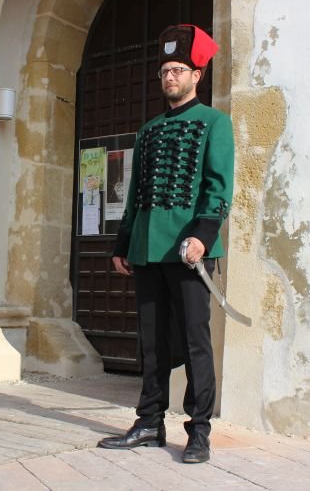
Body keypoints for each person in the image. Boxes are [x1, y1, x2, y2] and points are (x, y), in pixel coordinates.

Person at [97, 24, 234, 463]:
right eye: (165, 71)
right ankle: (149, 423)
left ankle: (199, 431)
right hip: (147, 250)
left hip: (188, 249)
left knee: (195, 343)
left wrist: (203, 236)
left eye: (178, 70)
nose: (169, 77)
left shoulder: (215, 122)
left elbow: (218, 187)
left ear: (197, 75)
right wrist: (123, 243)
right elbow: (136, 193)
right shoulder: (149, 130)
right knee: (152, 342)